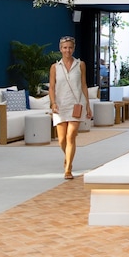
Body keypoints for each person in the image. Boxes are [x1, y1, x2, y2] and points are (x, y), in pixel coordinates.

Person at [49, 36, 92, 179]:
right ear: (60, 49)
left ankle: (68, 169)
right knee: (62, 140)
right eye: (65, 48)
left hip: (77, 104)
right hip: (60, 106)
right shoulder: (55, 67)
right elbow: (52, 87)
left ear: (74, 48)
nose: (67, 50)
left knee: (71, 136)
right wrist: (53, 103)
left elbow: (84, 85)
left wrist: (88, 105)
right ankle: (68, 157)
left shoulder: (80, 65)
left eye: (70, 47)